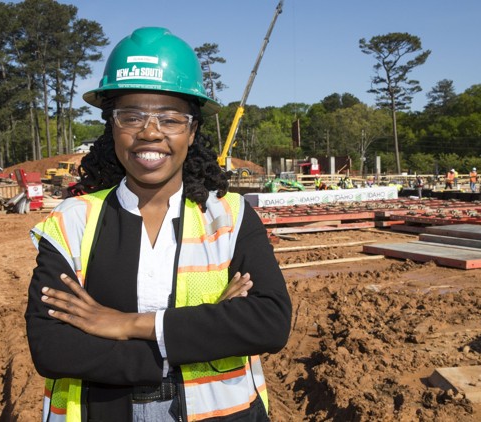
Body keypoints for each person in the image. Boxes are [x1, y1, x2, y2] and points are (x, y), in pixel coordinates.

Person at [24, 27, 292, 422]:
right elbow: (53, 346)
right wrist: (200, 333)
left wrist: (128, 324)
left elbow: (269, 322)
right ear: (111, 126)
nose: (150, 132)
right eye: (131, 116)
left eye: (170, 119)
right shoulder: (72, 221)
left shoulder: (230, 217)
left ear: (193, 130)